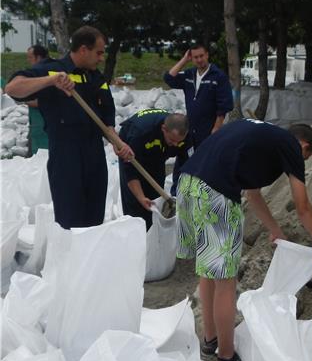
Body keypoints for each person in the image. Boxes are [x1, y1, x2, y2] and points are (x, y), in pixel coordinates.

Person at [176, 118, 312, 361]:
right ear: (303, 146)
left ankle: (210, 340)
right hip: (215, 194)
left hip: (187, 184)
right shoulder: (290, 145)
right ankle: (226, 355)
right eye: (302, 159)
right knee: (226, 280)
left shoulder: (261, 136)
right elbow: (302, 206)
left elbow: (252, 194)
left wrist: (275, 231)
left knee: (209, 270)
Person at [6, 26, 133, 229]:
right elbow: (13, 88)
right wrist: (51, 80)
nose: (101, 58)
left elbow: (106, 122)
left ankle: (89, 259)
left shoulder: (96, 78)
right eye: (99, 52)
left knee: (94, 221)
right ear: (83, 49)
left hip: (94, 156)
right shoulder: (53, 69)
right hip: (66, 158)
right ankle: (71, 259)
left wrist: (119, 144)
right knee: (70, 221)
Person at [119, 109, 189, 229]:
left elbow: (185, 165)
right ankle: (137, 236)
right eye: (172, 141)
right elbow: (130, 171)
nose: (176, 145)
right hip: (133, 151)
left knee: (155, 197)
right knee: (135, 202)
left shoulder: (183, 136)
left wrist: (183, 194)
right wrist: (141, 197)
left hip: (157, 152)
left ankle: (152, 231)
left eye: (179, 142)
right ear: (164, 129)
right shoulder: (141, 133)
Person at [163, 44, 234, 151]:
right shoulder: (189, 75)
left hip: (209, 129)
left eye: (201, 56)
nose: (199, 60)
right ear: (191, 58)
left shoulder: (219, 76)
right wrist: (184, 60)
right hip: (190, 129)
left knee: (205, 162)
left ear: (207, 55)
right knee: (186, 160)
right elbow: (169, 79)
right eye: (196, 57)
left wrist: (216, 128)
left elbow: (224, 106)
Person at [25, 45, 51, 154]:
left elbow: (48, 100)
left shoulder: (47, 74)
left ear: (39, 57)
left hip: (43, 126)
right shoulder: (35, 74)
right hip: (37, 125)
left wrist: (26, 99)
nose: (28, 60)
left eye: (30, 57)